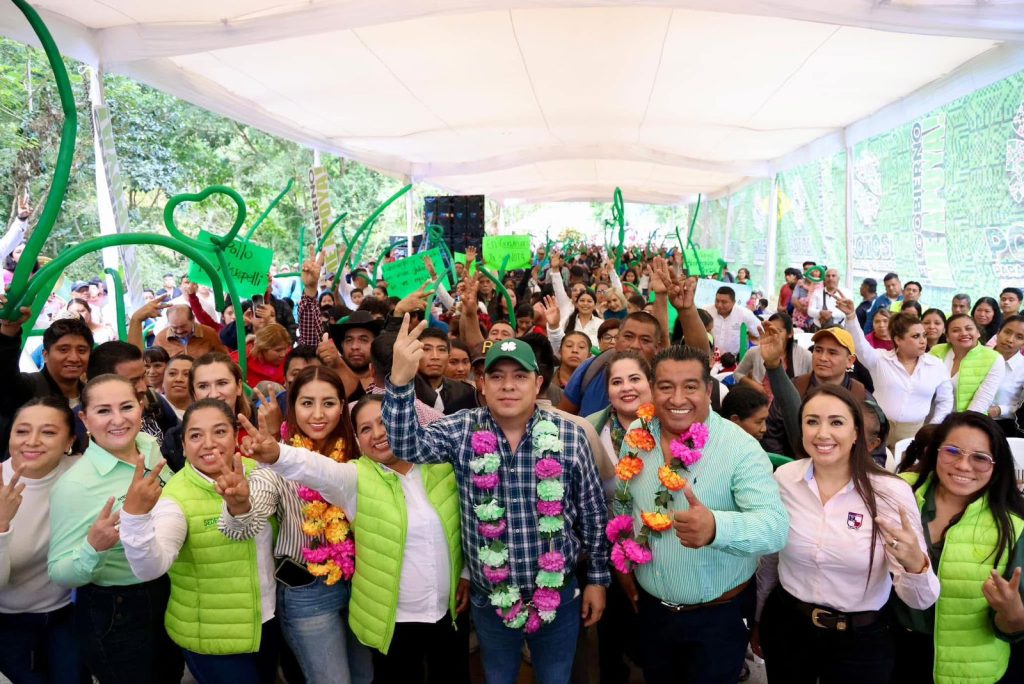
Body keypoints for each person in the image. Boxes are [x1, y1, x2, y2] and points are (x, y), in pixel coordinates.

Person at [384, 318, 609, 683]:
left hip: (560, 593)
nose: (508, 386)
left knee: (556, 678)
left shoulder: (570, 436)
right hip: (492, 598)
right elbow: (406, 445)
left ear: (538, 384)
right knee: (499, 677)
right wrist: (398, 382)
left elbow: (593, 512)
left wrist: (597, 580)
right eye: (497, 376)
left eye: (520, 377)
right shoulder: (461, 430)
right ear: (481, 385)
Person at [235, 393, 471, 683]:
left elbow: (465, 525)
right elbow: (315, 468)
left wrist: (466, 573)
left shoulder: (441, 467)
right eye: (366, 429)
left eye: (385, 422)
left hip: (449, 615)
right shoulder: (355, 478)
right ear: (357, 440)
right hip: (391, 624)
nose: (378, 433)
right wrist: (277, 455)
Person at [609, 344, 787, 682]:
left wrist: (717, 527)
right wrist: (623, 559)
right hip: (652, 611)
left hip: (717, 619)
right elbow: (625, 502)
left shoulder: (740, 448)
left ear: (708, 389)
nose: (677, 399)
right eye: (665, 386)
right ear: (652, 389)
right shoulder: (636, 433)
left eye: (690, 386)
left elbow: (775, 527)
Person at [755, 384, 938, 682]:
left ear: (856, 433)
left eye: (836, 422)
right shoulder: (785, 478)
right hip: (789, 627)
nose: (822, 433)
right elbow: (772, 557)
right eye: (812, 421)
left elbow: (921, 600)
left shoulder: (890, 493)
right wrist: (760, 617)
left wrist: (916, 564)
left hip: (861, 640)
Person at [220, 366, 373, 684]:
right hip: (307, 592)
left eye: (328, 403)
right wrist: (238, 505)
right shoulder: (276, 460)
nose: (318, 414)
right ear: (292, 407)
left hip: (362, 585)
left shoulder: (360, 452)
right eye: (307, 403)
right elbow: (244, 526)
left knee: (365, 677)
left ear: (342, 407)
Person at [118, 399, 280, 684]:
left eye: (219, 432)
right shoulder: (176, 497)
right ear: (182, 445)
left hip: (267, 623)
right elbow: (150, 568)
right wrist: (135, 518)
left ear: (235, 436)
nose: (208, 443)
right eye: (195, 435)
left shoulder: (259, 472)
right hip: (211, 635)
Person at [47, 375, 182, 683]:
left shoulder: (148, 447)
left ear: (141, 407)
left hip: (169, 592)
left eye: (126, 407)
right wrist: (93, 547)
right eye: (104, 411)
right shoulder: (75, 486)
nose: (118, 420)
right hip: (118, 610)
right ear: (85, 418)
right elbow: (59, 572)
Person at [890, 412, 1024, 683]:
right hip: (892, 653)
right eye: (952, 451)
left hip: (970, 666)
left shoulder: (1013, 527)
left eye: (980, 457)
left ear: (997, 466)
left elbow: (1013, 629)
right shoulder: (897, 495)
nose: (963, 465)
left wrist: (1012, 612)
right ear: (934, 452)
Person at [0, 397, 86, 683]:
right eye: (22, 431)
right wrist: (2, 525)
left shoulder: (81, 471)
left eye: (48, 432)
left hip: (65, 614)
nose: (32, 441)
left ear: (69, 441)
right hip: (8, 623)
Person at [837, 301, 953, 446]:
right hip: (878, 428)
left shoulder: (936, 365)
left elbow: (946, 400)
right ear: (898, 340)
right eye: (916, 336)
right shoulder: (880, 359)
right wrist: (851, 317)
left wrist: (933, 426)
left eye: (924, 335)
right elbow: (859, 345)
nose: (923, 341)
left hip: (916, 432)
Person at [761, 326, 871, 457]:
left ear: (850, 361)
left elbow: (873, 446)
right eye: (818, 350)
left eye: (832, 353)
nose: (823, 358)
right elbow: (772, 433)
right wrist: (790, 465)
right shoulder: (795, 387)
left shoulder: (860, 395)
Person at [0, 313, 92, 454]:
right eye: (63, 349)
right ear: (45, 355)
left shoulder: (92, 397)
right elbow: (5, 372)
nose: (74, 358)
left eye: (82, 350)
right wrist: (9, 330)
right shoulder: (27, 388)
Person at [586, 351, 654, 499]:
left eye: (635, 379)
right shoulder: (589, 429)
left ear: (651, 384)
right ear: (608, 394)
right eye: (617, 382)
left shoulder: (670, 426)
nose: (626, 387)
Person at [929, 313, 1004, 414]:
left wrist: (962, 426)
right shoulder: (936, 351)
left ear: (978, 332)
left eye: (969, 329)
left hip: (967, 422)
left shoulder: (994, 358)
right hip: (929, 419)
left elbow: (981, 402)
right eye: (956, 330)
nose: (964, 333)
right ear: (947, 336)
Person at [733, 312, 812, 398]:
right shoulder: (755, 352)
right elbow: (738, 373)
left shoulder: (805, 356)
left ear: (790, 333)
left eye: (778, 331)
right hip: (761, 403)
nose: (774, 334)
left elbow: (813, 382)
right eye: (770, 330)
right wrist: (756, 386)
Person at [413, 327, 477, 415]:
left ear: (448, 356)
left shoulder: (464, 391)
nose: (435, 356)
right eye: (426, 349)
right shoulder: (404, 391)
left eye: (441, 349)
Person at [988, 315, 1024, 438]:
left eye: (1019, 337)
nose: (1010, 339)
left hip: (1003, 426)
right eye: (1007, 332)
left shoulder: (1022, 368)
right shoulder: (978, 358)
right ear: (998, 333)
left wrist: (1000, 410)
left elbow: (1021, 407)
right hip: (970, 418)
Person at [230, 322, 292, 387]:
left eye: (285, 349)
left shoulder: (291, 356)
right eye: (278, 350)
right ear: (262, 348)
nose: (283, 354)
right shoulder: (243, 358)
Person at [154, 304, 228, 358]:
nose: (179, 331)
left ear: (193, 319)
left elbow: (224, 358)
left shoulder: (209, 333)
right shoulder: (160, 338)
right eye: (174, 327)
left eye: (183, 326)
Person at [709, 286, 762, 355]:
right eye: (717, 301)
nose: (719, 305)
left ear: (733, 302)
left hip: (735, 359)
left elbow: (759, 333)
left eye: (724, 302)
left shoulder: (745, 314)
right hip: (711, 358)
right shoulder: (707, 311)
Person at [162, 355, 193, 419]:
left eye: (187, 374)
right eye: (172, 373)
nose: (179, 379)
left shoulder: (206, 412)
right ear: (163, 380)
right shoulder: (150, 410)